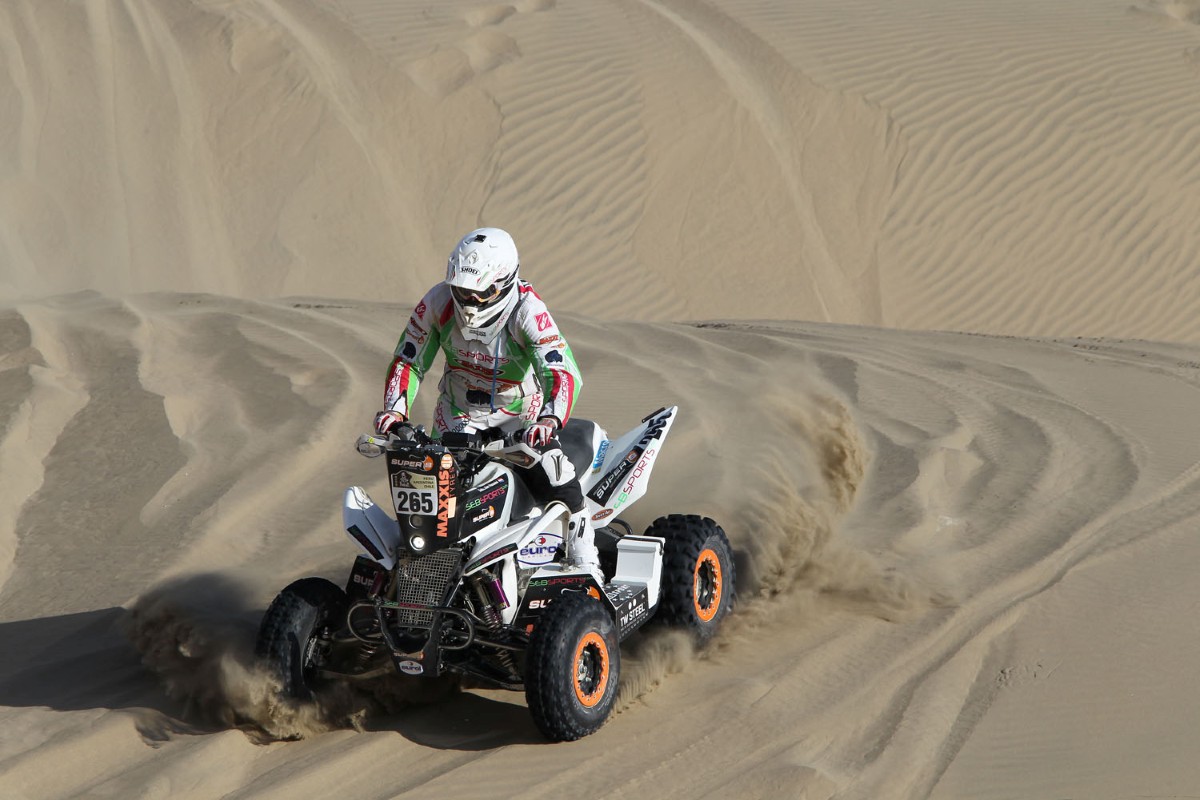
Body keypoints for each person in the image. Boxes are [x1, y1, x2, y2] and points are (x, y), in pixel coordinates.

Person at [374, 227, 601, 582]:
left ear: (505, 282)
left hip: (520, 416)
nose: (469, 300)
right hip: (458, 414)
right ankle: (424, 570)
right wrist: (394, 410)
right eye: (462, 290)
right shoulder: (437, 302)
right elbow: (408, 360)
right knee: (430, 489)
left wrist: (549, 420)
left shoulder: (527, 311)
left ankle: (584, 554)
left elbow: (562, 371)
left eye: (481, 292)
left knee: (554, 473)